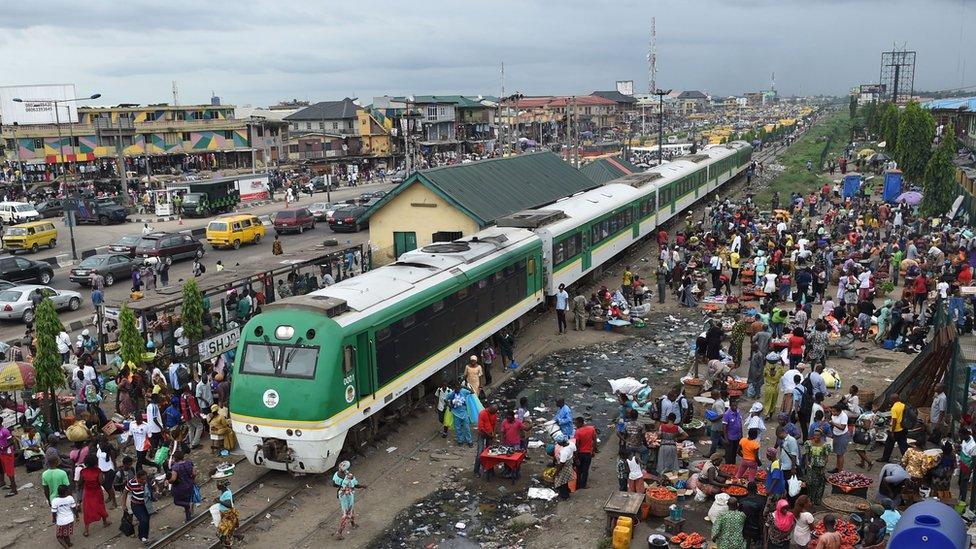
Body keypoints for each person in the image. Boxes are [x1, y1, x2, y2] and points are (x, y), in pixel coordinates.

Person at [80, 453, 110, 536]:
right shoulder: (98, 470)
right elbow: (101, 482)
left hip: (88, 492)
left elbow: (80, 482)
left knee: (87, 510)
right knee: (100, 506)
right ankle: (105, 522)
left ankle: (86, 530)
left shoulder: (83, 471)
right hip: (97, 492)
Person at [333, 467, 364, 539]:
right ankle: (339, 532)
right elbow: (356, 485)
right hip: (348, 496)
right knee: (347, 514)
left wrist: (342, 486)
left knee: (351, 510)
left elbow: (334, 484)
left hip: (342, 494)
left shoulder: (337, 474)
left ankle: (353, 524)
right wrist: (363, 486)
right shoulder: (350, 476)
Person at [124, 469, 152, 544]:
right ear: (138, 478)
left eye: (145, 479)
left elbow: (154, 484)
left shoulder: (146, 480)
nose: (144, 481)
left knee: (146, 521)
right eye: (142, 479)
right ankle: (142, 537)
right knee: (143, 520)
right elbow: (125, 492)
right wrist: (124, 505)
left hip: (146, 504)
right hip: (136, 505)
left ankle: (144, 536)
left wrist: (157, 490)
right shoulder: (132, 483)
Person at [879, 393, 909, 463]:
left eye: (891, 399)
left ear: (894, 400)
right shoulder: (903, 405)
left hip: (896, 429)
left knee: (889, 444)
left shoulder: (894, 408)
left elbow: (894, 420)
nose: (890, 400)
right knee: (903, 445)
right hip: (903, 428)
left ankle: (885, 458)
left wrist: (892, 431)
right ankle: (907, 459)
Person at [804, 428, 830, 505]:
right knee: (810, 483)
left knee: (820, 484)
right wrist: (807, 464)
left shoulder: (825, 445)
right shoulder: (808, 443)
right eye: (815, 435)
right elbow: (806, 455)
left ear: (821, 436)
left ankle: (817, 500)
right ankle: (810, 499)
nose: (816, 436)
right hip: (811, 467)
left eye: (818, 435)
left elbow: (826, 457)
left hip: (820, 467)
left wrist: (824, 467)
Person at [169, 450, 196, 523]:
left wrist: (168, 481)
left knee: (177, 501)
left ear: (175, 458)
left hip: (179, 488)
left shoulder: (175, 467)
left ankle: (189, 505)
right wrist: (191, 480)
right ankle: (188, 518)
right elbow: (194, 474)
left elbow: (173, 479)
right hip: (189, 485)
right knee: (186, 501)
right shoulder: (189, 462)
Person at [211, 479, 239, 548]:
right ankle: (238, 536)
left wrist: (219, 501)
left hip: (228, 515)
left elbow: (229, 504)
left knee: (222, 533)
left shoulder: (226, 493)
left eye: (218, 484)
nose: (217, 485)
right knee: (227, 531)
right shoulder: (226, 491)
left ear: (222, 485)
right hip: (225, 514)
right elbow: (232, 501)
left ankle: (228, 545)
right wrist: (220, 499)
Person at [739, 482, 766, 547]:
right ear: (756, 489)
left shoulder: (742, 501)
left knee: (747, 542)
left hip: (745, 527)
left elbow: (740, 515)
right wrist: (762, 530)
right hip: (756, 527)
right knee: (758, 543)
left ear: (747, 489)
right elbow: (761, 517)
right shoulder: (761, 501)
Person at [474, 404, 497, 477]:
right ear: (490, 409)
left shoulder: (494, 414)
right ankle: (476, 471)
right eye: (493, 412)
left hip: (490, 434)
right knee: (480, 452)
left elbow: (494, 425)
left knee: (490, 452)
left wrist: (493, 433)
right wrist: (491, 435)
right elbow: (481, 429)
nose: (494, 414)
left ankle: (490, 468)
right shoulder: (482, 413)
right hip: (482, 434)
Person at [51, 484, 77, 549]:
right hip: (70, 519)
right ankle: (69, 543)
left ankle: (66, 547)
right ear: (66, 492)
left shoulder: (55, 501)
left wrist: (54, 519)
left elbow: (54, 512)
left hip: (61, 521)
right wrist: (77, 516)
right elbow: (74, 508)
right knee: (66, 533)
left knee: (59, 537)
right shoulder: (70, 498)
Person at [573, 417, 596, 489]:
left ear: (580, 423)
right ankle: (583, 485)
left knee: (579, 470)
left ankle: (578, 484)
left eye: (576, 423)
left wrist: (576, 457)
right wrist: (593, 450)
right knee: (585, 470)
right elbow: (594, 440)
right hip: (588, 453)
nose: (575, 424)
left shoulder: (578, 432)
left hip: (580, 453)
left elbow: (576, 445)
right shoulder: (591, 429)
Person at [552, 433, 576, 500]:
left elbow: (561, 464)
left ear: (561, 443)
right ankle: (568, 490)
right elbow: (575, 452)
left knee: (561, 482)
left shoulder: (564, 452)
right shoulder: (571, 444)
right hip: (569, 464)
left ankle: (565, 496)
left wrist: (556, 473)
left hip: (564, 467)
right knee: (566, 481)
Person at [829, 402, 850, 473]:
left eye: (834, 411)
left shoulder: (844, 416)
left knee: (840, 454)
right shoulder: (834, 415)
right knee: (837, 453)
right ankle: (837, 468)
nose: (833, 412)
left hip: (842, 435)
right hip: (836, 434)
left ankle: (840, 471)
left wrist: (833, 423)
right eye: (832, 411)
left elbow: (842, 427)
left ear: (839, 411)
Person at [722, 399, 743, 465]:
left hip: (737, 437)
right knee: (729, 453)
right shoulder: (727, 414)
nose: (735, 407)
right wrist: (726, 438)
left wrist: (741, 435)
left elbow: (740, 423)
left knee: (734, 452)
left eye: (736, 405)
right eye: (733, 406)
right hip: (730, 438)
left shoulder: (738, 412)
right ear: (730, 405)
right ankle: (727, 466)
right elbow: (724, 427)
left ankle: (733, 465)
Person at [0, 426, 16, 496]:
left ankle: (14, 490)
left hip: (7, 453)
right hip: (3, 453)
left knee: (10, 471)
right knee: (7, 470)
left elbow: (12, 441)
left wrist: (4, 447)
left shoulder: (5, 431)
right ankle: (12, 485)